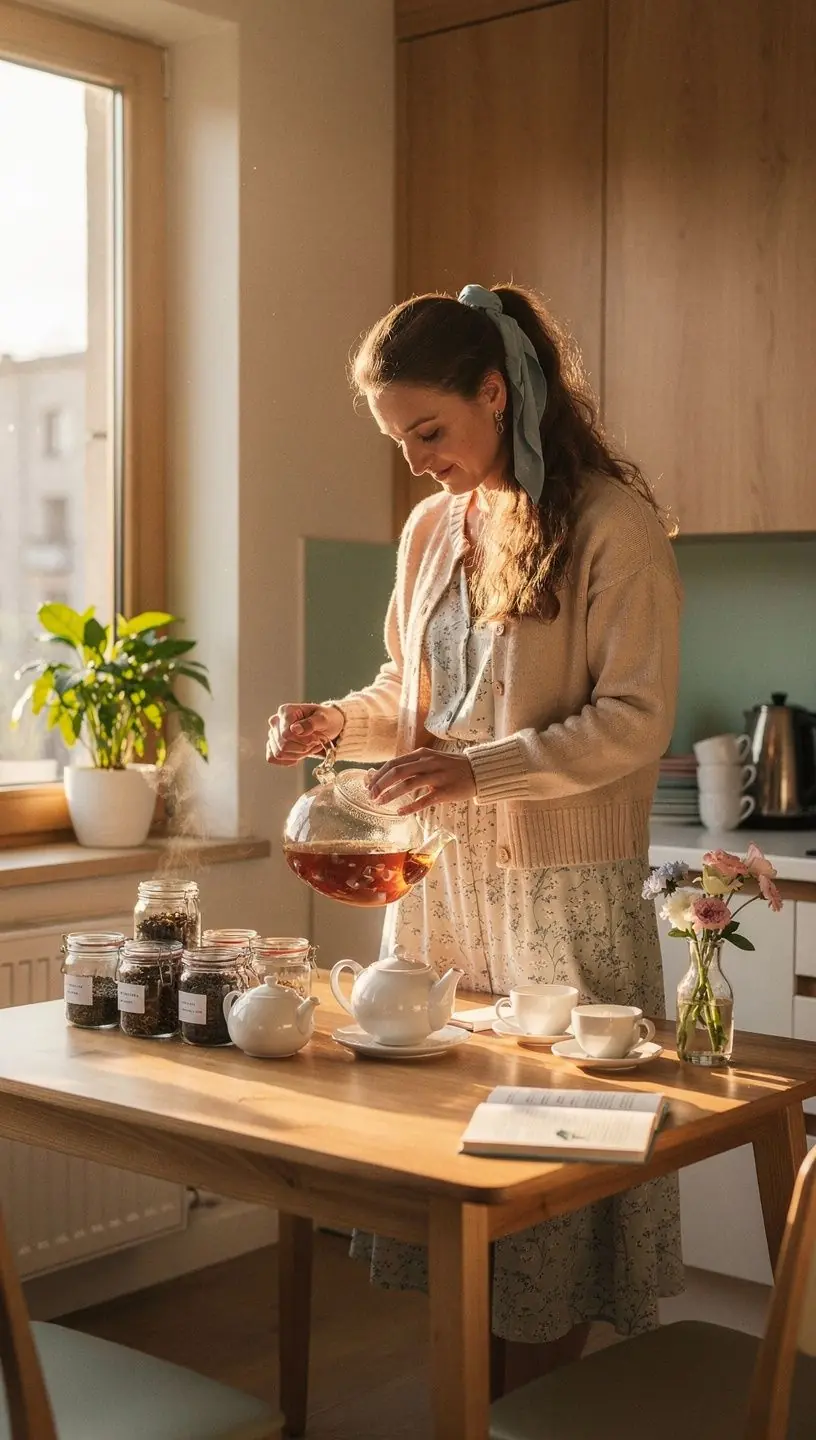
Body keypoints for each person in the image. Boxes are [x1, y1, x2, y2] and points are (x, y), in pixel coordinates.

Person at [267, 283, 684, 1388]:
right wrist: (338, 721)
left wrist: (474, 770)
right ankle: (482, 1408)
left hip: (560, 897)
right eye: (399, 439)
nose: (416, 461)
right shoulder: (433, 530)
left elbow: (634, 723)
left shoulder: (610, 526)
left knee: (552, 1197)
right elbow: (412, 690)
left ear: (496, 393)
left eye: (429, 432)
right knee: (452, 1178)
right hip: (445, 893)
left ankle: (523, 1411)